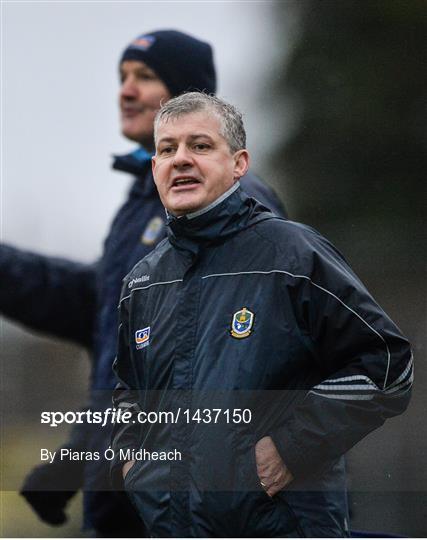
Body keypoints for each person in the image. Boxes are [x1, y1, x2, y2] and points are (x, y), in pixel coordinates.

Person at [0, 31, 287, 535]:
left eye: (145, 76)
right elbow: (109, 331)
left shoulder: (230, 204)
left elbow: (195, 369)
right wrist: (77, 461)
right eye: (121, 78)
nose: (125, 91)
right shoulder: (141, 208)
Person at [111, 92, 413, 537]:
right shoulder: (142, 281)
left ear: (239, 163)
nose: (180, 160)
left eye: (200, 145)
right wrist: (134, 464)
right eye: (167, 149)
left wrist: (291, 448)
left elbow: (388, 368)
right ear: (154, 168)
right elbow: (128, 392)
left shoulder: (293, 255)